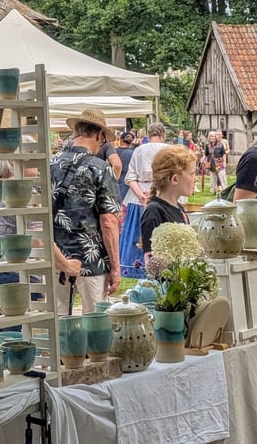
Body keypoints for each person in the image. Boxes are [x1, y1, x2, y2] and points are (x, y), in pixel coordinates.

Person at [50, 108, 122, 314]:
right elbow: (108, 222)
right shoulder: (100, 167)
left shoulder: (50, 164)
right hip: (92, 260)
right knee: (95, 322)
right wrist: (116, 268)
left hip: (57, 258)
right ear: (99, 135)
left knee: (60, 323)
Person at [119, 122, 169, 277]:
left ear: (149, 135)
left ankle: (132, 266)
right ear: (163, 134)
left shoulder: (138, 150)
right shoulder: (168, 150)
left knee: (136, 233)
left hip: (137, 196)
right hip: (161, 195)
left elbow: (131, 177)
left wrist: (140, 194)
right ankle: (161, 266)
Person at [140, 145, 194, 258]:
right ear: (175, 179)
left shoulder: (179, 208)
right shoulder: (154, 211)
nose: (196, 178)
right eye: (192, 174)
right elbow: (150, 259)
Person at [116, 131, 137, 201]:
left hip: (119, 180)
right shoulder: (134, 152)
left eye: (131, 137)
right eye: (127, 136)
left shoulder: (113, 151)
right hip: (130, 181)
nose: (130, 138)